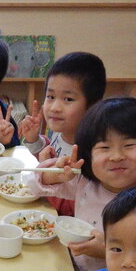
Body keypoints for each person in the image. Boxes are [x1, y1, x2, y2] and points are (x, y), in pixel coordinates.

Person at [27, 97, 136, 271]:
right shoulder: (86, 182)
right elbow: (32, 186)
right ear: (89, 153)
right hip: (72, 269)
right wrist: (56, 174)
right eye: (104, 147)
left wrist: (109, 252)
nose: (116, 156)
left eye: (129, 145)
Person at [18, 51, 107, 216]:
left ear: (93, 105)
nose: (54, 107)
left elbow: (78, 203)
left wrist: (46, 185)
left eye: (68, 99)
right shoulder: (60, 131)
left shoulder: (92, 151)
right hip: (48, 208)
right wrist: (33, 140)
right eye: (50, 96)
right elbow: (50, 158)